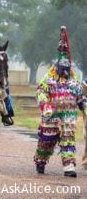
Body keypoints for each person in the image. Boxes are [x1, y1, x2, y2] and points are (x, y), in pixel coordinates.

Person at [34, 26, 87, 177]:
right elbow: (41, 92)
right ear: (57, 67)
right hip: (51, 115)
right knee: (47, 141)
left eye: (67, 68)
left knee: (68, 140)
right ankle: (41, 161)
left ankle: (69, 166)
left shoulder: (74, 82)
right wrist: (45, 104)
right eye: (62, 68)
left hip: (68, 116)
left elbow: (80, 98)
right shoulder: (48, 79)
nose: (64, 71)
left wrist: (84, 107)